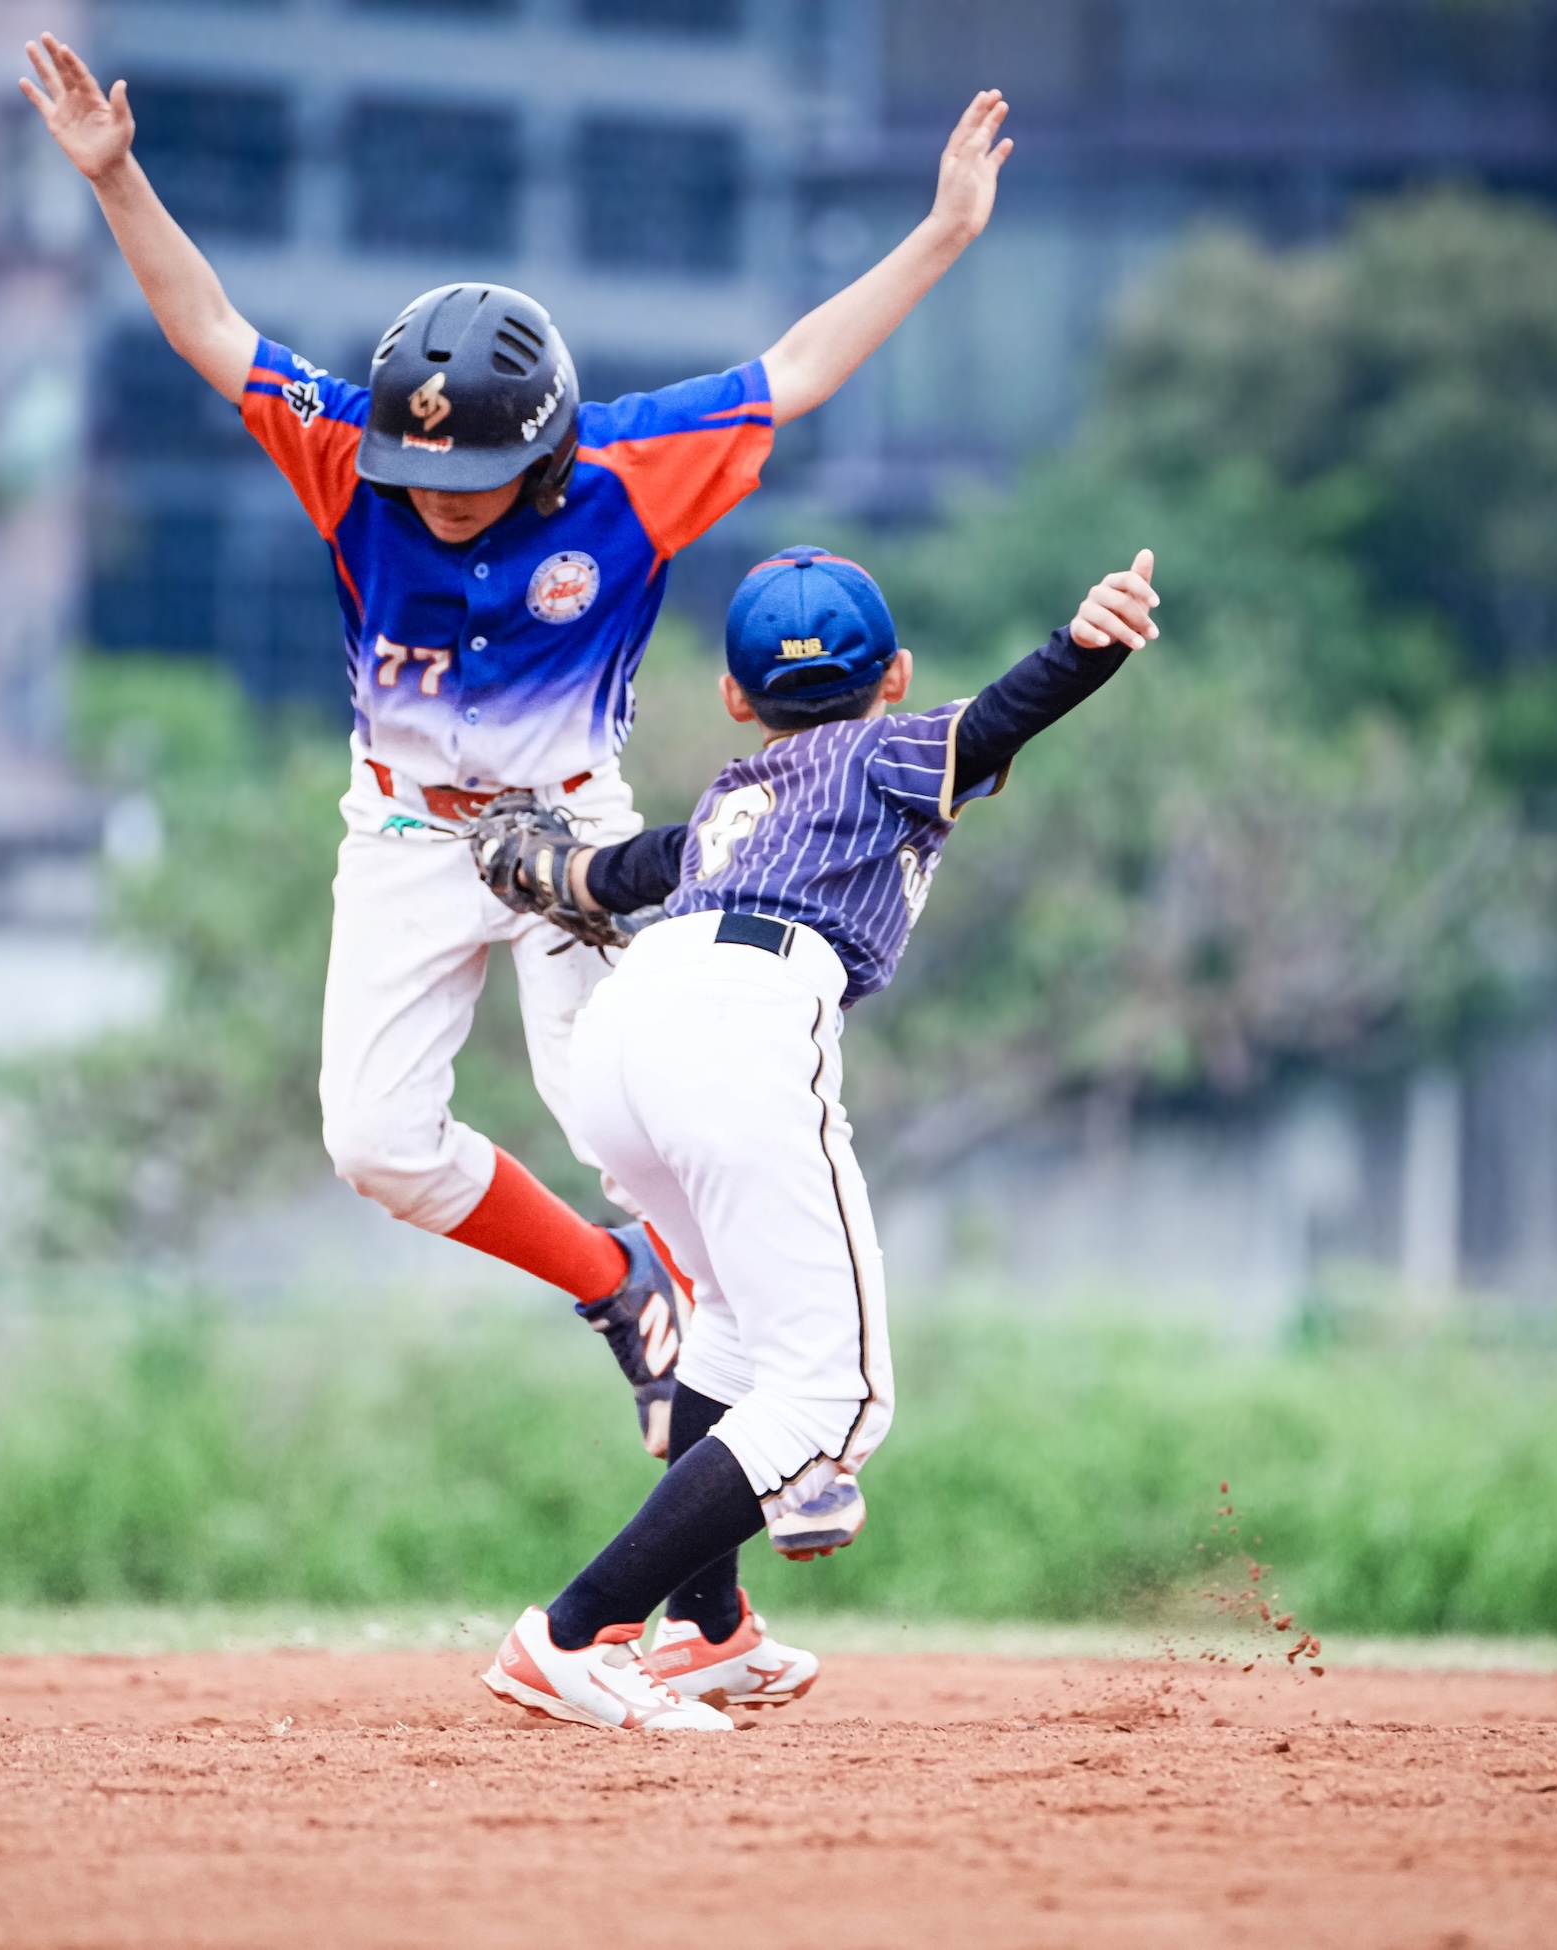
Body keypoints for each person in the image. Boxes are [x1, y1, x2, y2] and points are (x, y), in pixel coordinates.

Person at [19, 35, 1015, 1460]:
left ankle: (752, 1469)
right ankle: (619, 1291)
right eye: (420, 478)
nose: (440, 502)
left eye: (475, 480)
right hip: (406, 830)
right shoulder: (355, 455)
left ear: (546, 453)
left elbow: (794, 370)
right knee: (374, 1144)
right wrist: (118, 182)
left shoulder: (627, 469)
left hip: (577, 842)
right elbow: (213, 329)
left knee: (635, 1136)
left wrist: (937, 234)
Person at [471, 542, 1162, 1729]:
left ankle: (703, 1628)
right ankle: (576, 1634)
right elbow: (1001, 717)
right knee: (836, 1395)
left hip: (631, 1032)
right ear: (891, 676)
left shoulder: (743, 798)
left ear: (736, 700)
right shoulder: (885, 748)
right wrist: (1089, 642)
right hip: (742, 1019)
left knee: (735, 1326)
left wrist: (543, 864)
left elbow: (617, 872)